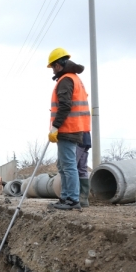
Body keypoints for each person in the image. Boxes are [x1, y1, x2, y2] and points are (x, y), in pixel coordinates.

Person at [47, 47, 91, 211]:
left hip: (68, 129)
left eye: (53, 67)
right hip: (74, 128)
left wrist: (55, 127)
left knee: (69, 165)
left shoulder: (66, 80)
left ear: (58, 65)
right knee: (63, 165)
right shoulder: (75, 78)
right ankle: (65, 197)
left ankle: (72, 199)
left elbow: (65, 106)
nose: (52, 70)